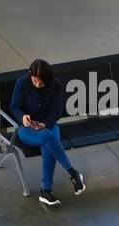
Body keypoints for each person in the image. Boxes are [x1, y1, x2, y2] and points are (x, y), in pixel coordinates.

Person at [10, 59, 85, 207]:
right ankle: (73, 173)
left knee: (48, 143)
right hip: (26, 129)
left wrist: (44, 123)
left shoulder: (55, 85)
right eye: (34, 81)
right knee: (48, 138)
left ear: (47, 79)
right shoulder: (21, 83)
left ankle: (46, 191)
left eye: (40, 82)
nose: (37, 84)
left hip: (47, 125)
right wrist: (23, 117)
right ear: (30, 76)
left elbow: (56, 111)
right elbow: (15, 107)